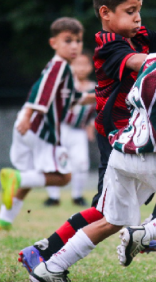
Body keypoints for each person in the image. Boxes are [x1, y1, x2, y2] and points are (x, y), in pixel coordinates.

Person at [17, 0, 156, 274]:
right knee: (106, 212)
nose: (138, 17)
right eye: (130, 11)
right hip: (117, 135)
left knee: (114, 216)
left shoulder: (142, 36)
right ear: (105, 13)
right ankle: (47, 249)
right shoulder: (107, 46)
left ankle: (56, 264)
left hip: (137, 135)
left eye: (139, 9)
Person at [0, 17, 95, 231]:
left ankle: (3, 220)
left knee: (31, 176)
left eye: (78, 40)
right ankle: (15, 177)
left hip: (28, 124)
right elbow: (41, 92)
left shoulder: (62, 68)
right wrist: (29, 115)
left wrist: (100, 95)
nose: (74, 45)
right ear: (53, 43)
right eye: (68, 40)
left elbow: (74, 97)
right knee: (64, 177)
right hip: (40, 129)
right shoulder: (59, 66)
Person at [44, 50, 97, 207]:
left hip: (78, 130)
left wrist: (91, 127)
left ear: (90, 67)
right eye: (77, 64)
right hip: (60, 128)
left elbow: (96, 111)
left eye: (84, 64)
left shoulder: (94, 88)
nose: (80, 68)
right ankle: (53, 197)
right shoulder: (65, 84)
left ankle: (77, 196)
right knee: (53, 162)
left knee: (81, 163)